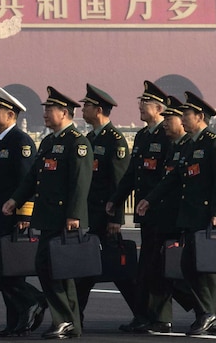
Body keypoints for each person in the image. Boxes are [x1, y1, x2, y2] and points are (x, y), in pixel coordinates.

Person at [137, 91, 216, 336]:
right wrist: (149, 199)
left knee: (195, 266)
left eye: (186, 114)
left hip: (205, 215)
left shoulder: (214, 142)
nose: (183, 118)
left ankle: (210, 314)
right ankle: (211, 315)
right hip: (190, 215)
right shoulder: (191, 144)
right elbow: (173, 178)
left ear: (199, 116)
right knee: (192, 267)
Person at [3, 87, 93, 340]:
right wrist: (15, 199)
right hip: (48, 218)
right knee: (52, 270)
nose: (44, 113)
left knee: (56, 270)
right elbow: (33, 177)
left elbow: (80, 182)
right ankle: (69, 322)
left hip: (65, 219)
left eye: (49, 109)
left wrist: (73, 215)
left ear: (64, 113)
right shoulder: (49, 142)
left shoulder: (77, 143)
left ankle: (64, 320)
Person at [0, 86, 46, 337]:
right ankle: (25, 310)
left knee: (5, 267)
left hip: (12, 216)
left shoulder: (20, 142)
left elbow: (28, 181)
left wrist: (24, 214)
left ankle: (30, 305)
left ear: (11, 114)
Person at [107, 81, 176, 333]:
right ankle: (146, 314)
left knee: (160, 266)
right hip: (145, 211)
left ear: (159, 108)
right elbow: (131, 175)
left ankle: (161, 317)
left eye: (144, 103)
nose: (140, 106)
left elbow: (169, 178)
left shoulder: (166, 136)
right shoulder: (142, 135)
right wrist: (116, 198)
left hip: (161, 211)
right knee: (147, 267)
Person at [74, 84, 138, 325]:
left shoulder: (115, 141)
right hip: (91, 214)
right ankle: (75, 317)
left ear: (98, 109)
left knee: (120, 272)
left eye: (87, 106)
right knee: (87, 269)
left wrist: (115, 219)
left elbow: (118, 184)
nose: (83, 109)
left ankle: (143, 314)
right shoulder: (90, 138)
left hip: (105, 215)